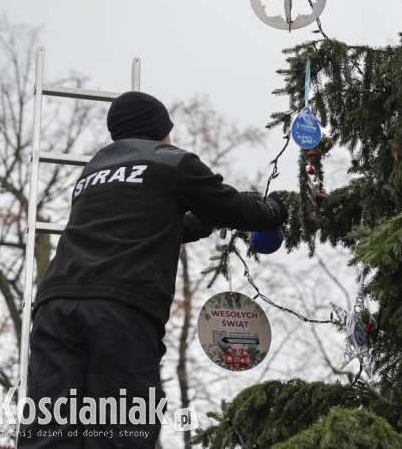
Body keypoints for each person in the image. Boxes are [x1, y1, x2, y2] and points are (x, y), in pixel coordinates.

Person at [18, 92, 286, 448]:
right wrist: (274, 210)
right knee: (121, 428)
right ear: (161, 129)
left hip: (55, 306)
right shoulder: (171, 161)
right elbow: (232, 207)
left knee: (50, 429)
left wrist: (198, 223)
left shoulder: (94, 168)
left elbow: (143, 225)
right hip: (119, 310)